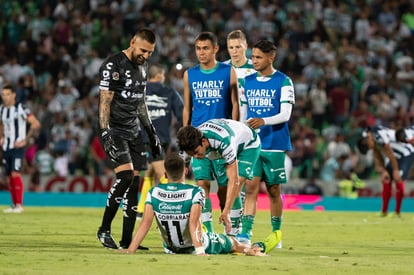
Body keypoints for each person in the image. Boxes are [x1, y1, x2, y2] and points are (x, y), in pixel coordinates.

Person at [121, 153, 270, 256]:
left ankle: (252, 248)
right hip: (195, 246)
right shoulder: (194, 191)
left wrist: (131, 249)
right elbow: (194, 223)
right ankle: (253, 249)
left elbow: (145, 224)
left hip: (170, 248)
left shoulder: (154, 192)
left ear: (165, 174)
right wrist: (200, 251)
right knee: (232, 242)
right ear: (185, 171)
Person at [96, 28, 163, 250]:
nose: (146, 56)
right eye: (143, 50)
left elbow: (140, 101)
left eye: (150, 52)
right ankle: (104, 230)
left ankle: (127, 239)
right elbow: (105, 101)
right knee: (125, 176)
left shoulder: (143, 66)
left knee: (135, 182)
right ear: (132, 41)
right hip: (114, 129)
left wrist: (151, 131)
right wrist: (105, 132)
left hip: (134, 130)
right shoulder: (113, 64)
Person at [182, 31, 240, 234]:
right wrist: (185, 141)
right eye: (198, 48)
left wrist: (234, 130)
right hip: (198, 141)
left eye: (205, 48)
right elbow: (187, 108)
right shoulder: (190, 74)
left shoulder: (228, 71)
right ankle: (206, 232)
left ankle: (228, 227)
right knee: (202, 185)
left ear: (215, 49)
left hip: (220, 140)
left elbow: (235, 103)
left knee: (224, 188)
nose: (201, 52)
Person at [242, 40, 295, 249]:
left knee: (273, 190)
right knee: (250, 187)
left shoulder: (284, 81)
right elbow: (245, 114)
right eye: (252, 56)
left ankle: (276, 233)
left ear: (270, 58)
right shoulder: (247, 81)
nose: (253, 61)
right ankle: (246, 234)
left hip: (274, 143)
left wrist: (264, 120)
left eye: (258, 57)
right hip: (253, 144)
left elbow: (286, 114)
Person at [176, 118, 261, 236]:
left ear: (204, 141)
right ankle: (208, 233)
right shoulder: (189, 145)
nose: (195, 156)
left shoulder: (224, 141)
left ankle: (234, 234)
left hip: (247, 147)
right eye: (192, 155)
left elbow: (234, 180)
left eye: (196, 152)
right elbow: (177, 176)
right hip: (213, 148)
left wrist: (226, 211)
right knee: (202, 185)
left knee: (233, 188)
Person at [136, 63, 184, 219]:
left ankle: (142, 209)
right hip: (160, 138)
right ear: (159, 76)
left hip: (143, 137)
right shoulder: (169, 92)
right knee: (160, 173)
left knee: (151, 173)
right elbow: (181, 112)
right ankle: (172, 206)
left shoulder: (140, 91)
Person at [1, 83, 41, 213]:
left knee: (15, 173)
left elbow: (35, 124)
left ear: (13, 95)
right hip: (6, 147)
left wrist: (25, 139)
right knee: (8, 176)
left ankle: (19, 205)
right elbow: (1, 124)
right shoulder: (1, 109)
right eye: (3, 95)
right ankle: (14, 205)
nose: (5, 97)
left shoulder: (21, 108)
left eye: (7, 94)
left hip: (18, 146)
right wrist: (1, 137)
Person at [357, 125, 414, 217]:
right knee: (386, 179)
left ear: (368, 141)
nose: (371, 148)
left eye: (369, 147)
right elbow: (377, 153)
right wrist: (384, 170)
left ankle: (397, 212)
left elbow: (389, 153)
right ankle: (384, 211)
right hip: (394, 154)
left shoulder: (380, 136)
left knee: (397, 178)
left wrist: (395, 170)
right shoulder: (367, 135)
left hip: (405, 153)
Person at [224, 29, 255, 123]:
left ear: (245, 46)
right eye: (231, 47)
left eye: (238, 47)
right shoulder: (221, 70)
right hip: (227, 123)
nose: (234, 51)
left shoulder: (256, 69)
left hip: (250, 123)